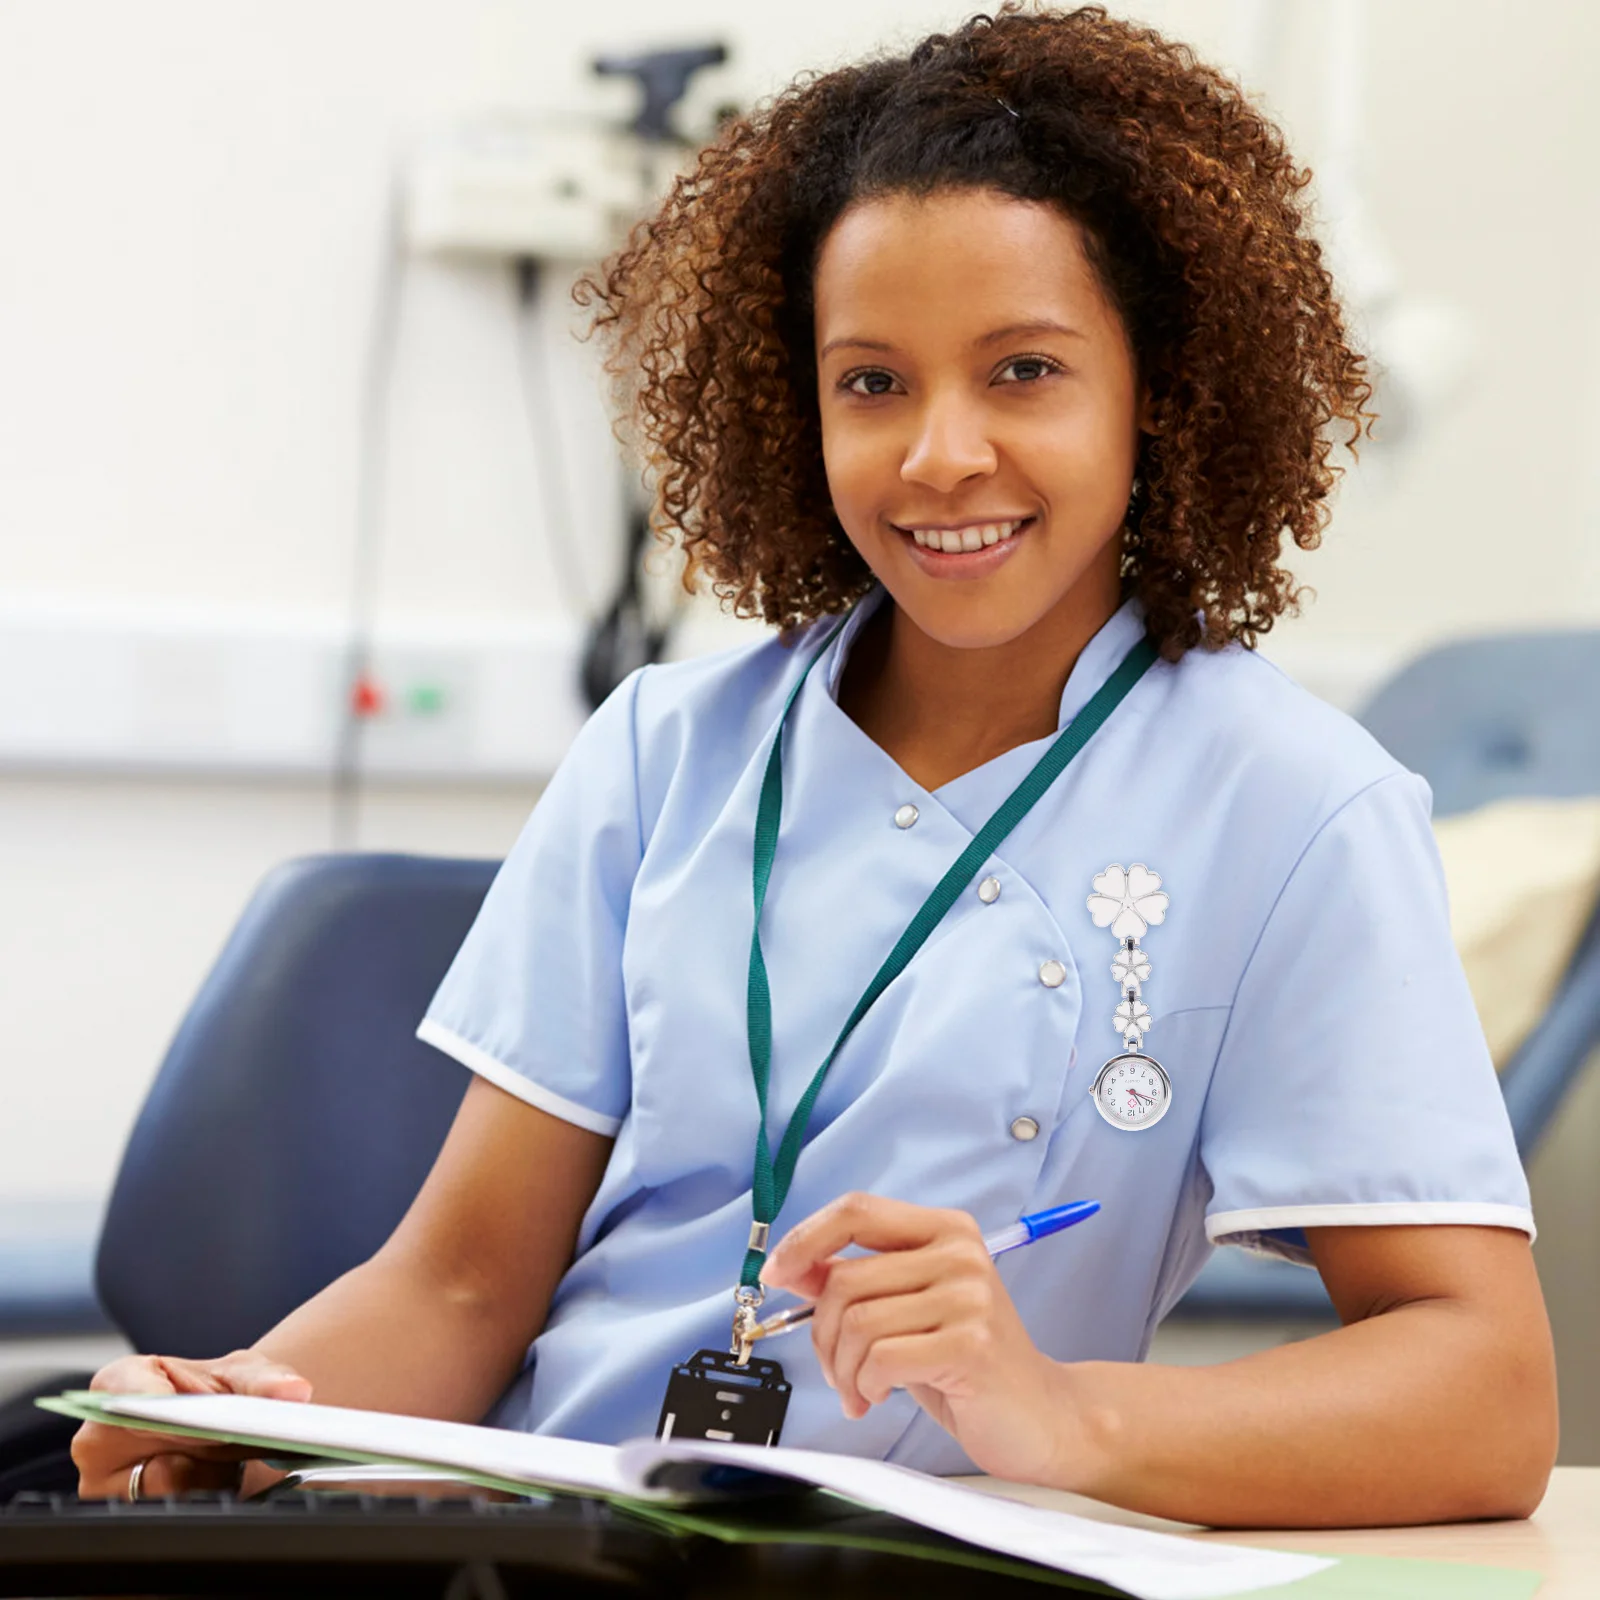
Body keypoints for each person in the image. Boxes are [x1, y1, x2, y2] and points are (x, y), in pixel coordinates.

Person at [73, 4, 1556, 1526]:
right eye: (872, 382)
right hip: (534, 1540)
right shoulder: (665, 754)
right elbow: (456, 1288)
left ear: (1159, 390)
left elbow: (1483, 1390)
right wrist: (250, 1409)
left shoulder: (1297, 808)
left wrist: (1057, 1413)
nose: (938, 455)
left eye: (1025, 371)